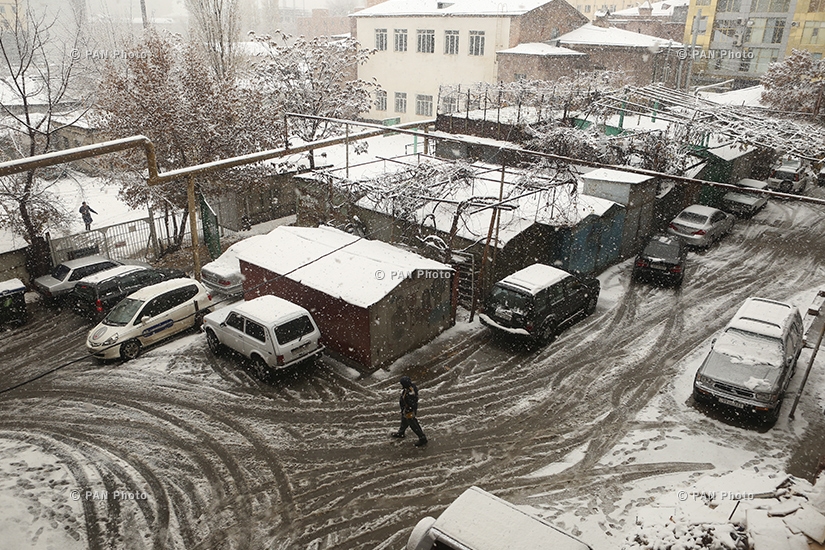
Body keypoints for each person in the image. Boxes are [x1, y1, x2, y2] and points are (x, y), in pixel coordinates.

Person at [392, 376, 427, 447]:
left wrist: (408, 408)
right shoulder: (409, 388)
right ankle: (401, 432)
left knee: (413, 423)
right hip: (406, 409)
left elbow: (412, 401)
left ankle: (422, 438)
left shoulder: (410, 391)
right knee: (404, 420)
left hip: (409, 410)